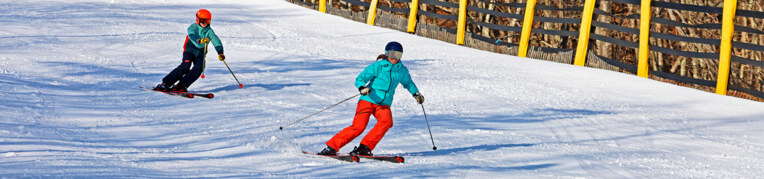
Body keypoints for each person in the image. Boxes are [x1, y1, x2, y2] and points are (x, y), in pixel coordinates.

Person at [318, 41, 425, 156]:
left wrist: (416, 93)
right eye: (393, 54)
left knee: (386, 122)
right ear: (387, 54)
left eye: (398, 55)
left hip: (384, 103)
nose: (395, 57)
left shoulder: (401, 70)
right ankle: (331, 147)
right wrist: (362, 87)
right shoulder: (378, 66)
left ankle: (364, 147)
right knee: (359, 127)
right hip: (368, 99)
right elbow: (361, 78)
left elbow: (408, 83)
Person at [154, 9, 225, 92]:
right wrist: (199, 40)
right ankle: (165, 84)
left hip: (200, 53)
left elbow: (216, 41)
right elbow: (192, 35)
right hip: (189, 50)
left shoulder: (209, 31)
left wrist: (220, 53)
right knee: (186, 65)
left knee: (199, 68)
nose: (205, 23)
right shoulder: (193, 27)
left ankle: (181, 85)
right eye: (203, 20)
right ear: (197, 20)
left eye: (207, 21)